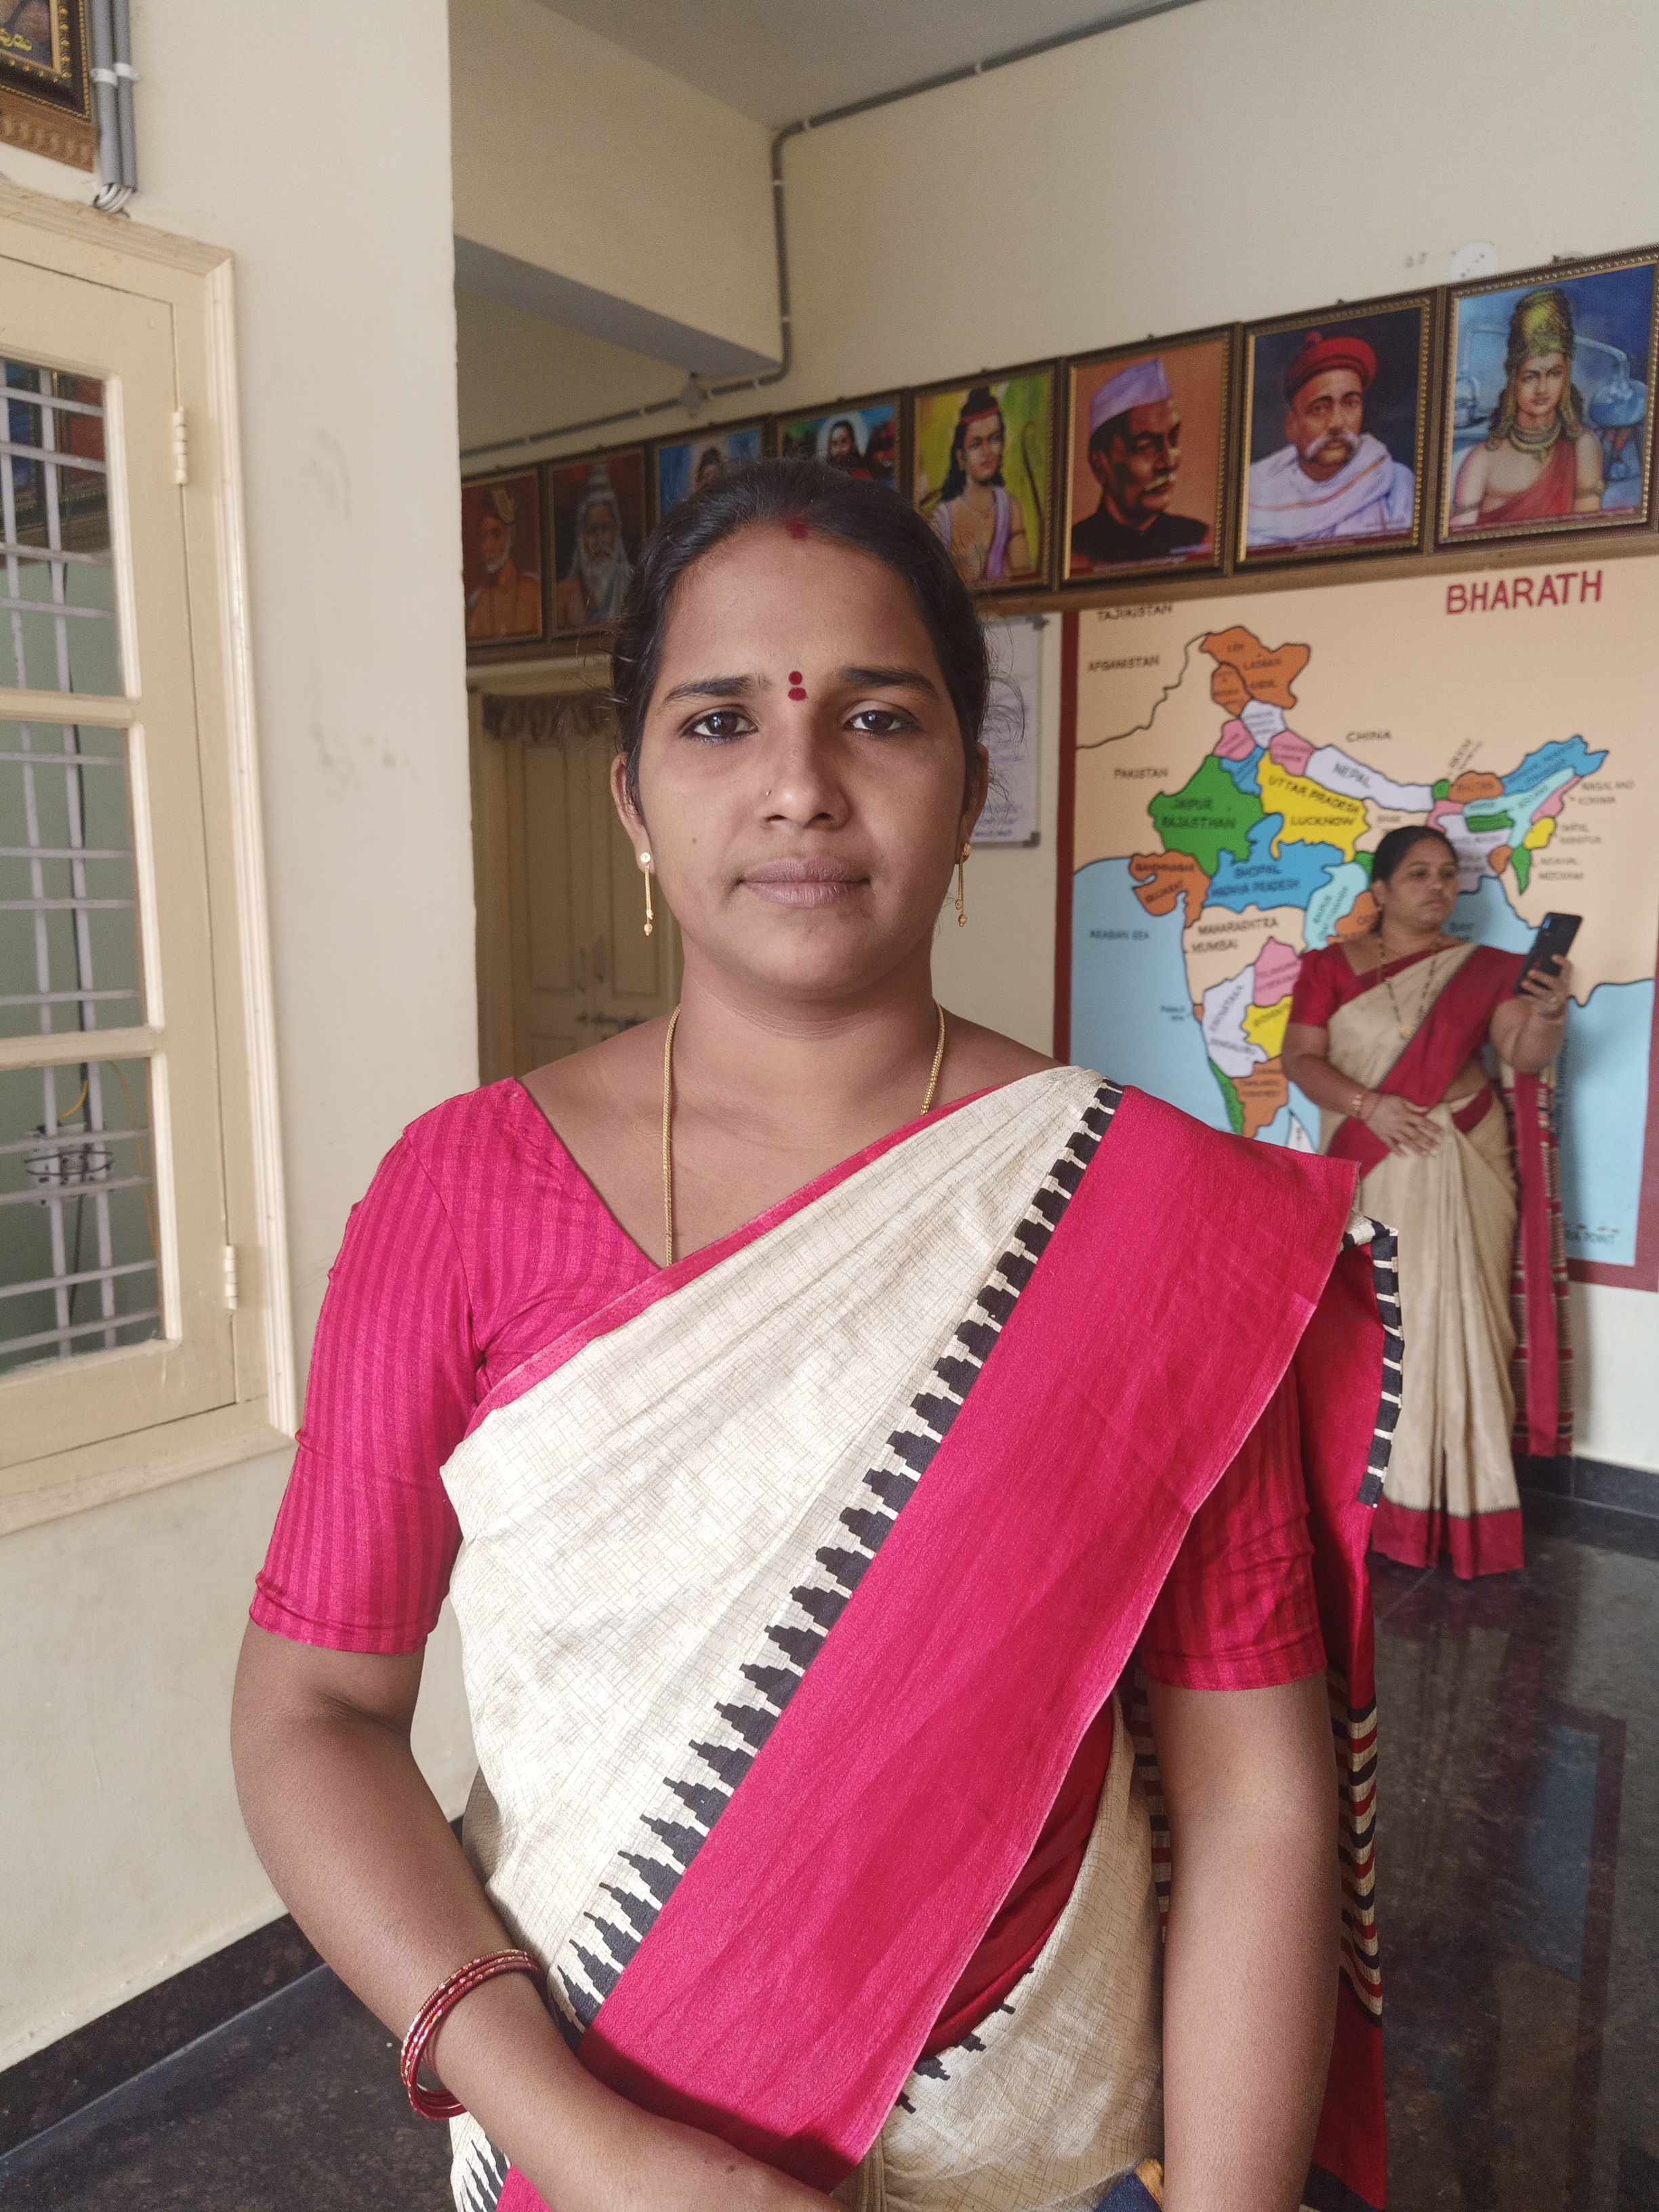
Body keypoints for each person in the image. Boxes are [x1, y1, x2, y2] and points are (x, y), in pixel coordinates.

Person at [234, 460, 1395, 2212]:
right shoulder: (462, 1196)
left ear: (971, 786)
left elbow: (1255, 1799)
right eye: (720, 722)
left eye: (879, 717)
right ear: (632, 802)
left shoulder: (1149, 1224)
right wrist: (593, 2150)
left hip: (1037, 2153)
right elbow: (313, 1710)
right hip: (579, 2148)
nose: (799, 783)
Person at [1284, 827, 1573, 1579]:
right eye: (1418, 873)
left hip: (1464, 1158)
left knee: (1469, 1322)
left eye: (1447, 874)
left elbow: (1522, 1053)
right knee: (1385, 1331)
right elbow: (1301, 1061)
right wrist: (1369, 1105)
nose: (1438, 886)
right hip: (1376, 1159)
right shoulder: (1328, 968)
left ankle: (1472, 1508)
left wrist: (1546, 1016)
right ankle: (1388, 1509)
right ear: (1380, 890)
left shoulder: (1489, 970)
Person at [1449, 287, 1605, 529]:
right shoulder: (1482, 459)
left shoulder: (1583, 445)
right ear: (1514, 380)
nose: (1542, 389)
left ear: (1566, 377)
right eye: (1530, 377)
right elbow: (1459, 538)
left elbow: (1586, 532)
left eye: (1554, 374)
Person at [1246, 331, 1415, 549]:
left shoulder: (1396, 483)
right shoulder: (1256, 494)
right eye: (1319, 408)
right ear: (1292, 426)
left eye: (1350, 404)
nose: (1337, 423)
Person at [1070, 356, 1210, 571]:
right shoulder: (1074, 554)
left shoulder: (1201, 541)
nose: (1169, 462)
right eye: (1146, 447)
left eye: (1173, 440)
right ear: (1101, 464)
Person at [926, 386, 1035, 586]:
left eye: (994, 439)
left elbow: (1023, 578)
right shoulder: (941, 520)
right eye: (976, 444)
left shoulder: (1010, 509)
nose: (987, 451)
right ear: (961, 456)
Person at [553, 465, 634, 630]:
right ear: (582, 538)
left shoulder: (633, 584)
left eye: (605, 528)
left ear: (616, 532)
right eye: (592, 530)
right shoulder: (563, 594)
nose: (599, 540)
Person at [466, 485, 542, 642]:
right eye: (483, 536)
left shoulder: (536, 592)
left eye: (496, 534)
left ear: (511, 535)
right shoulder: (477, 603)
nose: (487, 546)